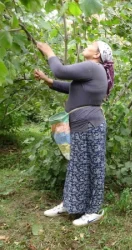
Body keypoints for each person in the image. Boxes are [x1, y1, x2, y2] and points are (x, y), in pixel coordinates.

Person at [34, 41, 114, 226]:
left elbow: (60, 70)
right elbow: (74, 89)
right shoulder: (93, 71)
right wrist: (49, 82)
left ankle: (93, 211)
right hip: (80, 126)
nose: (87, 45)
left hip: (90, 126)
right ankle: (70, 203)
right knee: (77, 167)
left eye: (92, 45)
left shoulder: (93, 67)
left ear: (97, 55)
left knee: (94, 168)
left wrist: (48, 51)